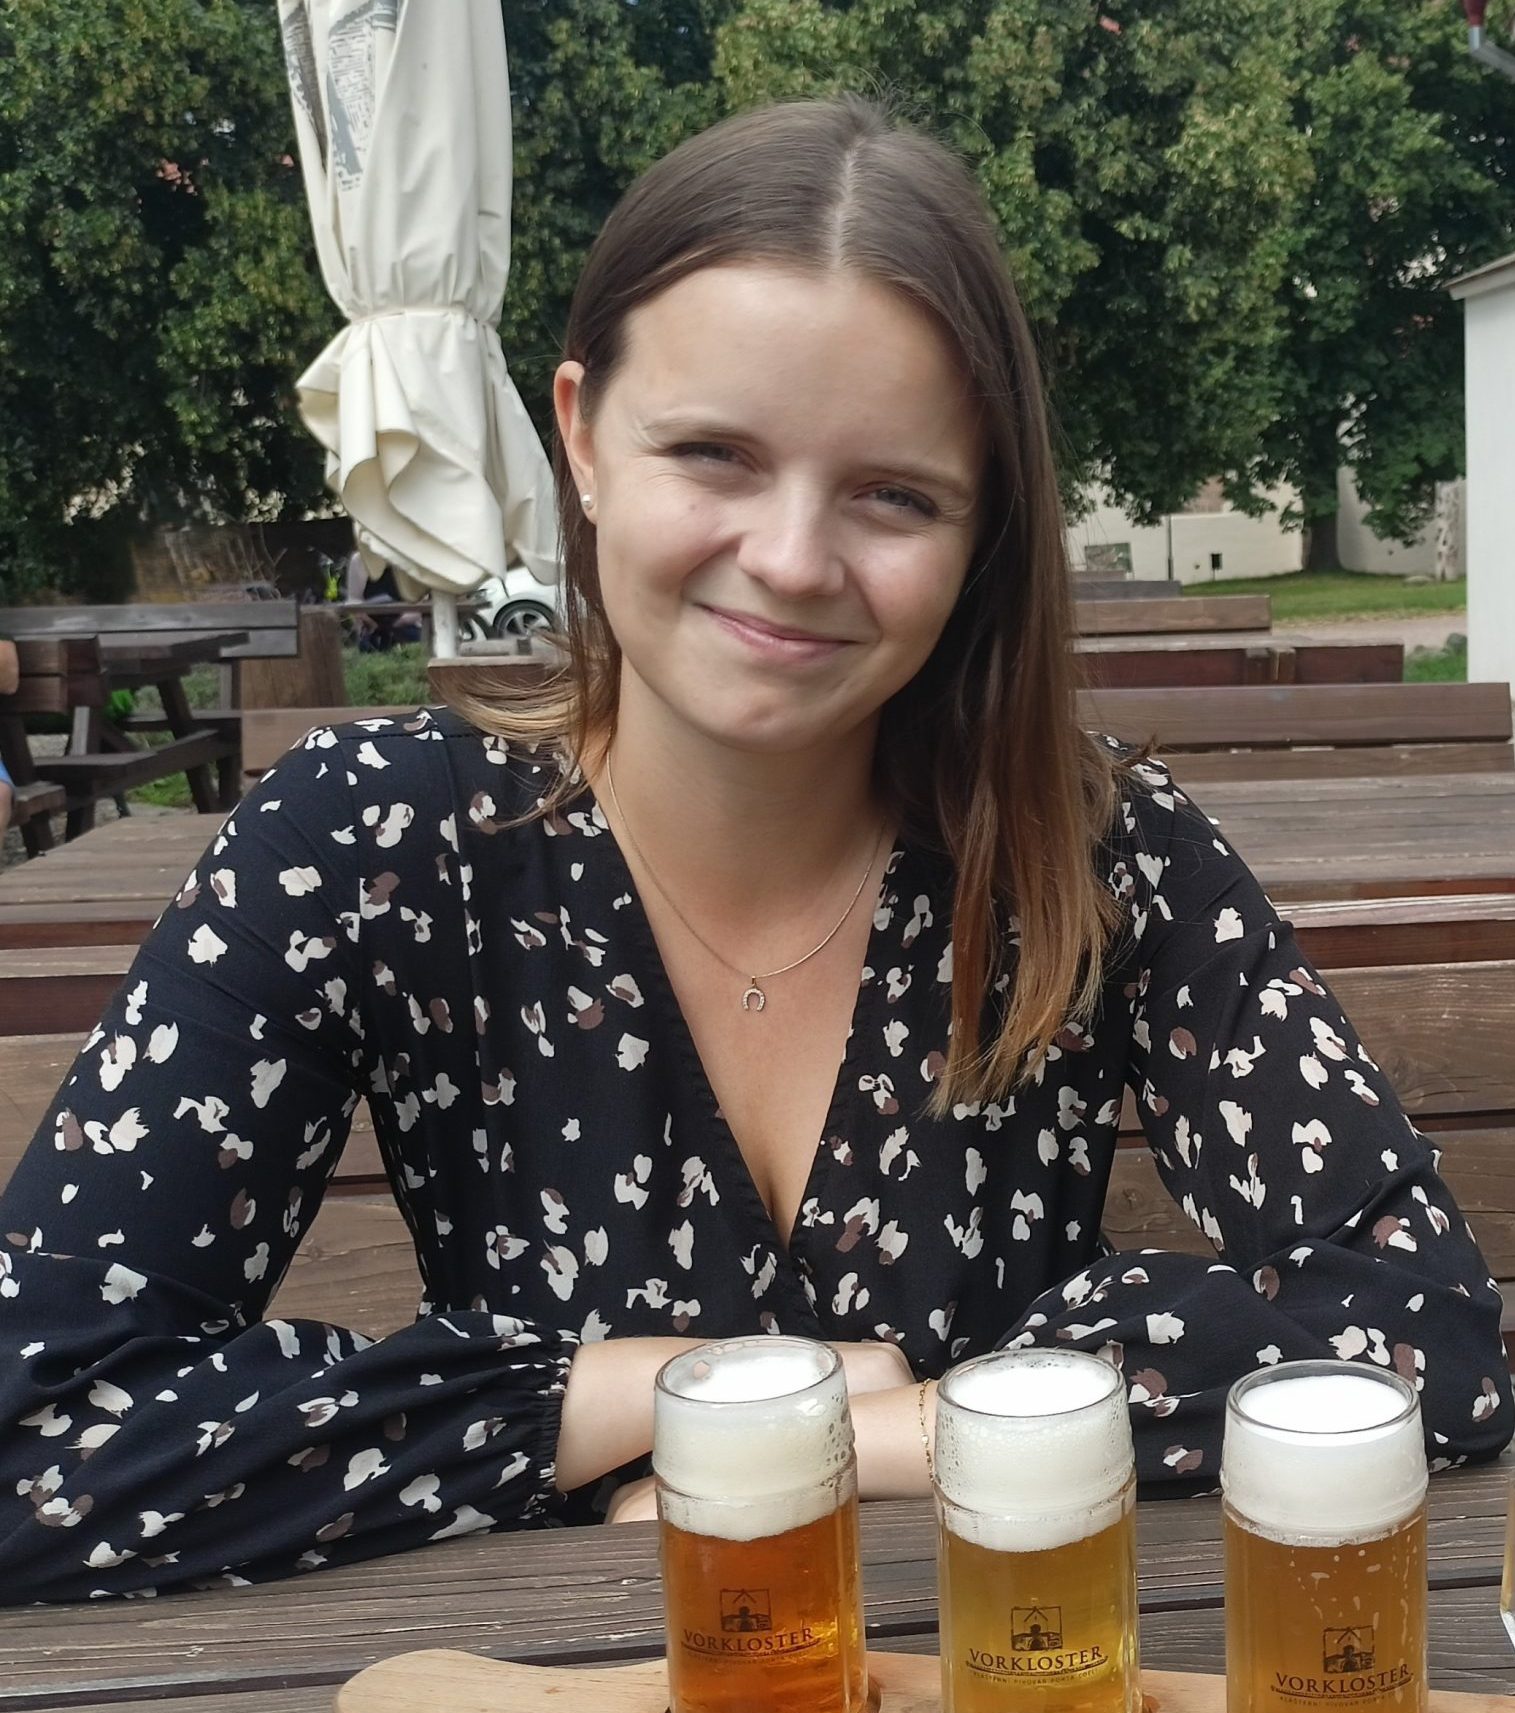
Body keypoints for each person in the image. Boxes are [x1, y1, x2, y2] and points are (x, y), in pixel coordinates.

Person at [0, 97, 1507, 1605]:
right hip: (556, 1690)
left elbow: (1426, 1334)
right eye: (714, 454)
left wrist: (909, 1433)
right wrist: (640, 1401)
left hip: (1004, 1680)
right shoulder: (369, 840)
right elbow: (36, 1428)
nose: (790, 559)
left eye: (894, 494)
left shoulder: (1097, 852)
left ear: (982, 528)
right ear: (581, 436)